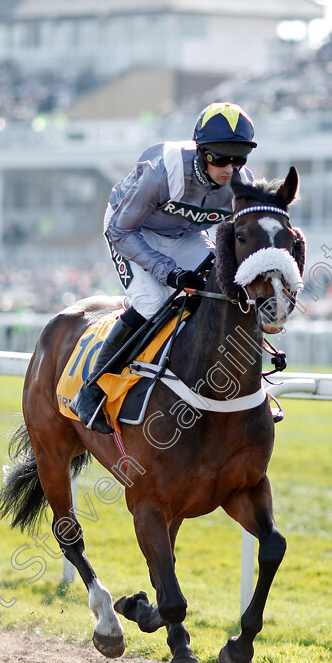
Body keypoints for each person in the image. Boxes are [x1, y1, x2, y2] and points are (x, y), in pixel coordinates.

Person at [70, 101, 258, 432]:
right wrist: (167, 272)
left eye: (238, 158)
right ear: (200, 151)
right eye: (220, 157)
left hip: (184, 235)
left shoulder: (242, 184)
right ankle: (93, 387)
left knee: (217, 289)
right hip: (130, 229)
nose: (229, 168)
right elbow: (121, 231)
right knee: (152, 301)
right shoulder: (162, 172)